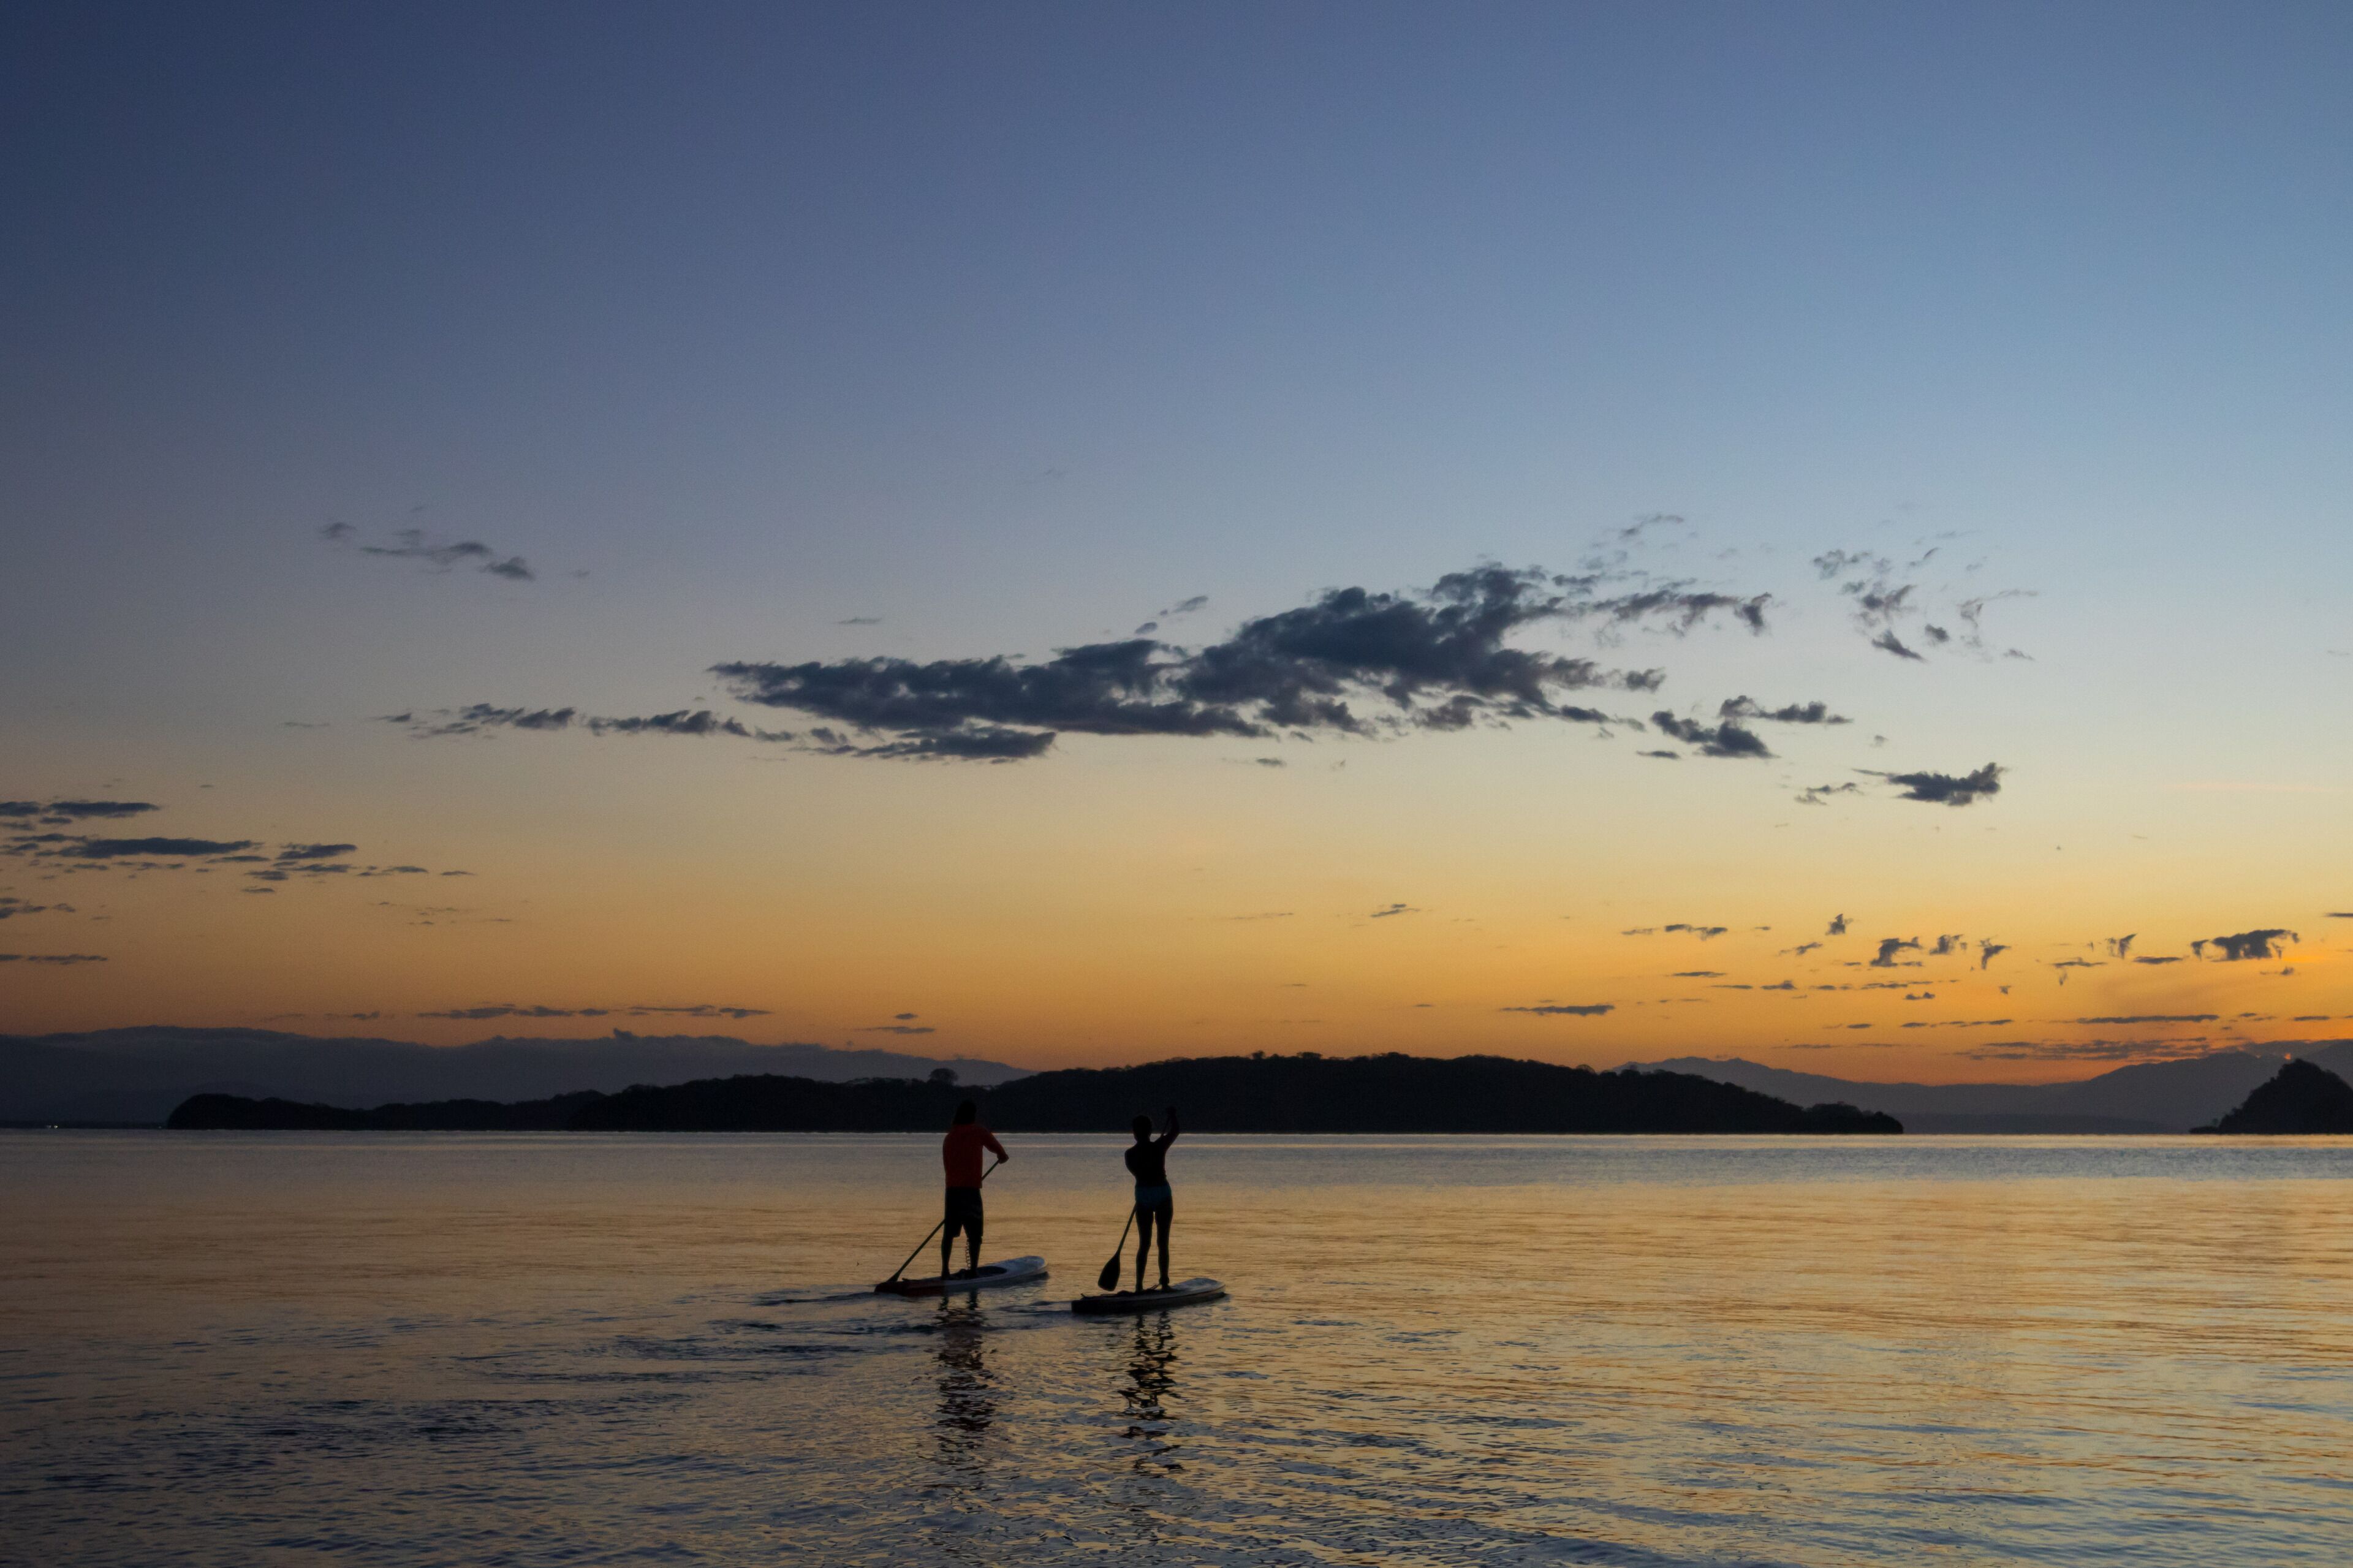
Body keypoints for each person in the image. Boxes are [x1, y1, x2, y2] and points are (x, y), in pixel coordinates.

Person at [941, 1099, 1007, 1281]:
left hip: (952, 1191)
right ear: (973, 1115)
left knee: (949, 1233)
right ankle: (973, 1271)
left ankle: (945, 1271)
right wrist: (1001, 1158)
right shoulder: (979, 1131)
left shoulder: (950, 1136)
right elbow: (1002, 1154)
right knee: (975, 1233)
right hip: (970, 1190)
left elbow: (947, 1166)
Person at [1124, 1104, 1180, 1292]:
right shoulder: (1159, 1146)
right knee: (1162, 1242)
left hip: (1144, 1195)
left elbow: (1137, 1173)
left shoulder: (1130, 1154)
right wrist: (1172, 1115)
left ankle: (1139, 1286)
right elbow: (1176, 1130)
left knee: (1144, 1244)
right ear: (1150, 1131)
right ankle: (1164, 1283)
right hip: (1162, 1194)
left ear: (1134, 1133)